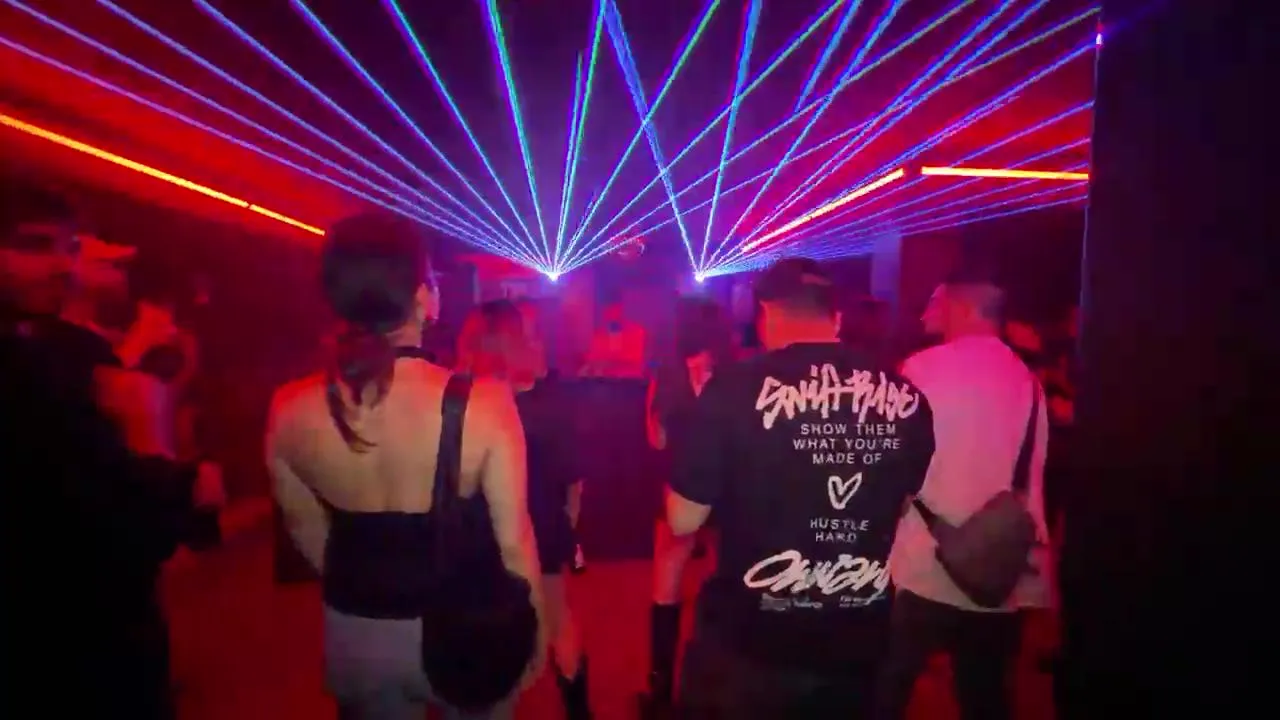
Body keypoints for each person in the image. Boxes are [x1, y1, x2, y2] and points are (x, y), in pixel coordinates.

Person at [265, 212, 545, 719]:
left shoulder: (289, 409)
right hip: (469, 627)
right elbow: (514, 542)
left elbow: (306, 530)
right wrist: (536, 629)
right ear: (423, 297)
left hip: (358, 630)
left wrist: (374, 583)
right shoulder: (484, 404)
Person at [665, 258, 936, 718]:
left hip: (752, 643)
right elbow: (904, 501)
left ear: (766, 312)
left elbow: (682, 517)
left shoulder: (732, 390)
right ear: (836, 317)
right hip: (856, 641)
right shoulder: (907, 398)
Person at [0, 181, 224, 718]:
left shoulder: (71, 350)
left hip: (107, 631)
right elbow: (109, 512)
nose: (62, 266)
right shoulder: (46, 365)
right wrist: (179, 479)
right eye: (35, 246)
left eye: (70, 248)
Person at [875, 271, 1050, 720]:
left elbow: (893, 460)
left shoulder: (921, 368)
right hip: (1000, 571)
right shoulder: (1029, 382)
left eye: (938, 304)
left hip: (924, 564)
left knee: (884, 694)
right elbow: (1031, 478)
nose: (927, 315)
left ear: (964, 307)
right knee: (986, 697)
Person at [457, 299, 592, 720]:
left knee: (485, 619)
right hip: (542, 524)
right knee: (557, 618)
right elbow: (574, 479)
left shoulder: (465, 402)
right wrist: (568, 526)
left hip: (484, 528)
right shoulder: (548, 403)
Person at [639, 296, 732, 716]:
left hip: (680, 490)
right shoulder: (736, 377)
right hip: (727, 491)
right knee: (726, 579)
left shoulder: (668, 375)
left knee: (667, 585)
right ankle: (717, 683)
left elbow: (656, 440)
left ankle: (661, 690)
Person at [580, 301, 647, 378]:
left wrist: (605, 364)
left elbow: (632, 360)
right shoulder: (600, 334)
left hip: (628, 379)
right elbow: (593, 358)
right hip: (605, 379)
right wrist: (588, 367)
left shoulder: (636, 331)